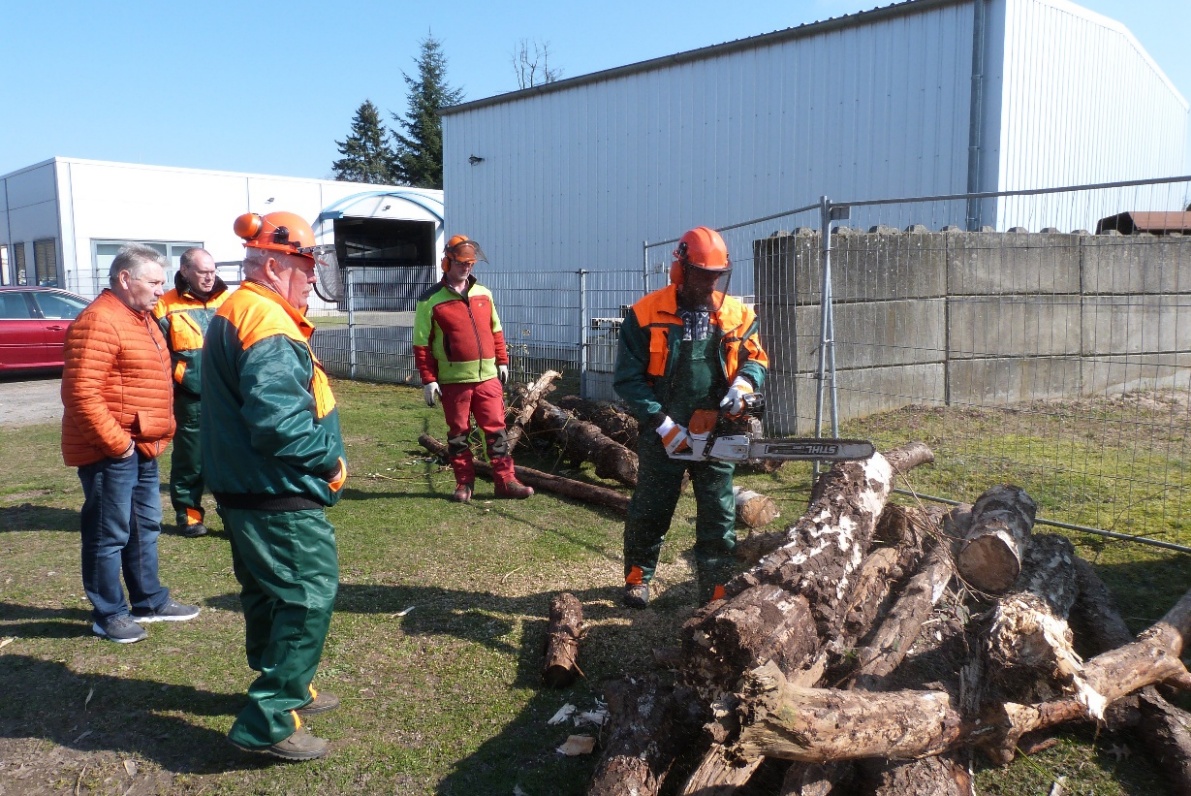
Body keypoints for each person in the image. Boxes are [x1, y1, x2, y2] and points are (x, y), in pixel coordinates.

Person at [202, 211, 347, 762]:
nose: (311, 278)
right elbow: (278, 424)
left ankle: (287, 690)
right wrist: (329, 461)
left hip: (246, 486)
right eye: (304, 266)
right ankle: (268, 720)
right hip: (275, 490)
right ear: (271, 263)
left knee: (267, 593)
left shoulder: (238, 310)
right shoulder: (267, 323)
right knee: (307, 595)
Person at [613, 226, 768, 608]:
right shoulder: (645, 314)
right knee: (650, 507)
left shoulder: (736, 314)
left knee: (718, 514)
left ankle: (716, 589)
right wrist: (662, 423)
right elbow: (628, 379)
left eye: (716, 275)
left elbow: (756, 360)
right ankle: (637, 576)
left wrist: (743, 387)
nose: (709, 283)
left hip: (719, 428)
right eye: (702, 274)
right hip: (664, 427)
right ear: (681, 269)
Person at [61, 243, 202, 644]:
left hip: (143, 445)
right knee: (109, 534)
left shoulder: (138, 317)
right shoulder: (100, 321)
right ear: (125, 279)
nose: (162, 290)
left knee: (143, 527)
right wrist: (117, 444)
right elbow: (80, 394)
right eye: (154, 281)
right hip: (114, 449)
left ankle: (149, 600)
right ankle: (109, 614)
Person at [413, 234, 534, 503]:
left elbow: (496, 330)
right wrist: (428, 379)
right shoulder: (429, 300)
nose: (466, 268)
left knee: (496, 432)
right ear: (447, 262)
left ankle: (505, 481)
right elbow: (421, 344)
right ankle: (464, 483)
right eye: (461, 263)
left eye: (470, 263)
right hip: (453, 381)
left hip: (488, 378)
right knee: (458, 435)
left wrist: (502, 360)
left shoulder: (484, 294)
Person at [153, 247, 230, 537]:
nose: (210, 278)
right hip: (191, 397)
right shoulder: (165, 305)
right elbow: (159, 354)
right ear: (185, 271)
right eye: (202, 272)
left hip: (227, 396)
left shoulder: (229, 301)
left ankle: (234, 513)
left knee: (230, 457)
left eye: (212, 271)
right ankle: (189, 515)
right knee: (191, 459)